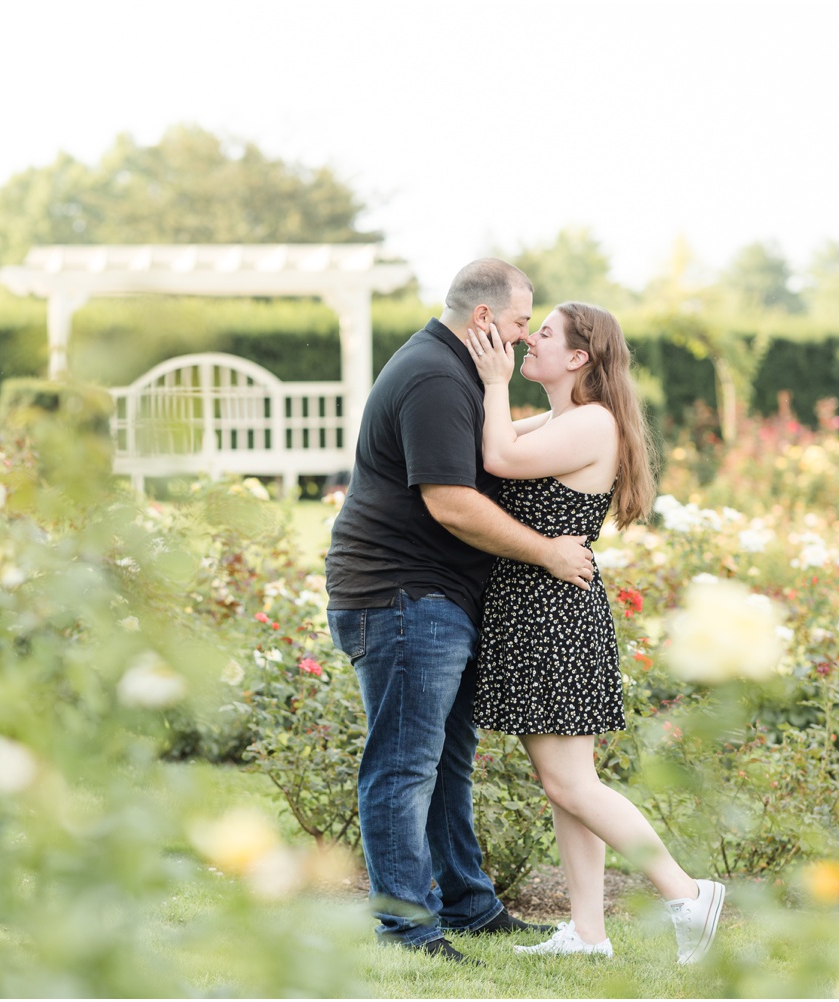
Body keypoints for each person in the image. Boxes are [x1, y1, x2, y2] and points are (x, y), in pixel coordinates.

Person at [324, 259, 596, 964]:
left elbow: (499, 445)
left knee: (446, 763)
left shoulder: (459, 370)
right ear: (483, 320)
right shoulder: (437, 378)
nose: (521, 337)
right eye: (515, 324)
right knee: (405, 765)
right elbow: (450, 501)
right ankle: (409, 929)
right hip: (403, 596)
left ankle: (471, 909)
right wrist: (547, 553)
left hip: (433, 596)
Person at [461, 302, 725, 965]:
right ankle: (587, 932)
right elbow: (483, 441)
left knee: (572, 785)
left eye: (542, 334)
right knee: (569, 784)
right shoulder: (559, 419)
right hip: (539, 608)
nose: (528, 342)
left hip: (554, 614)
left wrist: (493, 382)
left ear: (579, 358)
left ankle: (686, 893)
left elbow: (494, 456)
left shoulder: (590, 423)